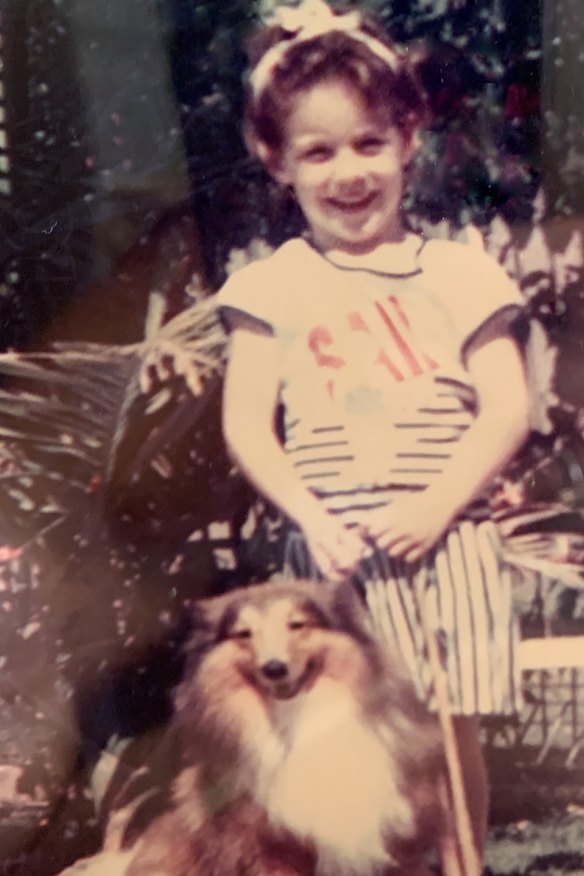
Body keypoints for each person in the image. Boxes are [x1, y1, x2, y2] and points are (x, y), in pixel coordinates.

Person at [216, 0, 531, 869]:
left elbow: (506, 406)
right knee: (346, 736)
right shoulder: (271, 285)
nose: (347, 172)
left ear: (408, 138)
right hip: (337, 553)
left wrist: (436, 503)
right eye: (317, 152)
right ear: (275, 160)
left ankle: (465, 864)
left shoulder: (460, 271)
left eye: (367, 144)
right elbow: (248, 423)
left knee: (444, 726)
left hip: (447, 537)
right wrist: (309, 515)